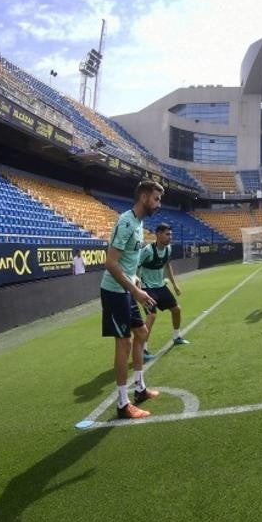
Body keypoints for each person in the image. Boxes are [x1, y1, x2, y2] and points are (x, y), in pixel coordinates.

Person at [100, 180, 163, 420]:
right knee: (124, 343)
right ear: (144, 196)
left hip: (127, 288)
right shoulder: (126, 222)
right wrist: (135, 291)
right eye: (156, 199)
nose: (159, 204)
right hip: (114, 291)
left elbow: (128, 261)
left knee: (142, 333)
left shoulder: (139, 223)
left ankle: (140, 388)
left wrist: (135, 278)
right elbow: (110, 262)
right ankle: (123, 404)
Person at [138, 224, 188, 349]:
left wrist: (174, 285)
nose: (170, 237)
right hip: (147, 288)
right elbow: (135, 265)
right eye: (167, 234)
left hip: (160, 286)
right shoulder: (148, 250)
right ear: (158, 234)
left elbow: (167, 265)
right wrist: (137, 287)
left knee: (177, 310)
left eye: (170, 234)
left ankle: (176, 337)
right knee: (152, 315)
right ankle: (143, 349)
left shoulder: (168, 249)